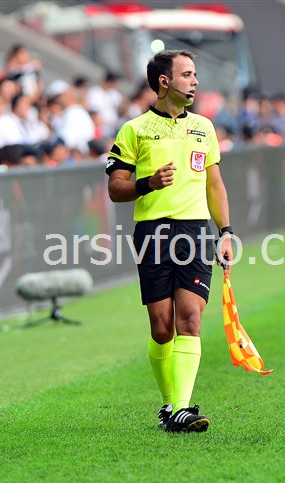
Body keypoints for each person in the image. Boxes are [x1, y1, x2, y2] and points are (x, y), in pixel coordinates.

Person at [106, 50, 233, 433]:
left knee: (190, 318)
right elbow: (115, 188)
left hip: (195, 232)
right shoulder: (135, 129)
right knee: (162, 327)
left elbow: (214, 184)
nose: (195, 81)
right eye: (187, 74)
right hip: (153, 233)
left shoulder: (204, 127)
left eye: (195, 74)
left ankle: (180, 408)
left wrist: (226, 232)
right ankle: (169, 404)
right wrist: (147, 183)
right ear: (164, 81)